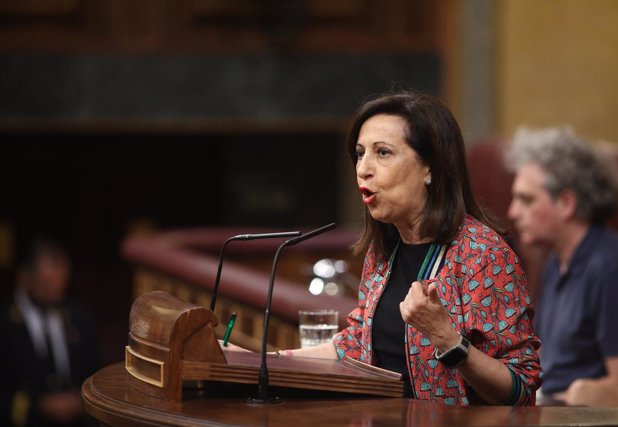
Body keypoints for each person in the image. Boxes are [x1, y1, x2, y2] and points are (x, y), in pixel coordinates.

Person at [227, 91, 541, 405]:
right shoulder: (384, 251)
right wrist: (259, 361)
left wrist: (447, 339)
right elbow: (354, 345)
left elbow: (521, 390)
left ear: (429, 166)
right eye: (360, 153)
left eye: (383, 153)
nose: (363, 168)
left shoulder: (484, 255)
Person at [505, 126, 618, 405]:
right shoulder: (555, 261)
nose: (513, 212)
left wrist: (562, 400)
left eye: (526, 199)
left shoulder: (612, 266)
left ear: (566, 203)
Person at [0, 238, 99, 427]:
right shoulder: (5, 324)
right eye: (47, 284)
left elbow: (94, 374)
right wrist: (40, 408)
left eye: (61, 285)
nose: (56, 293)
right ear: (24, 277)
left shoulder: (79, 319)